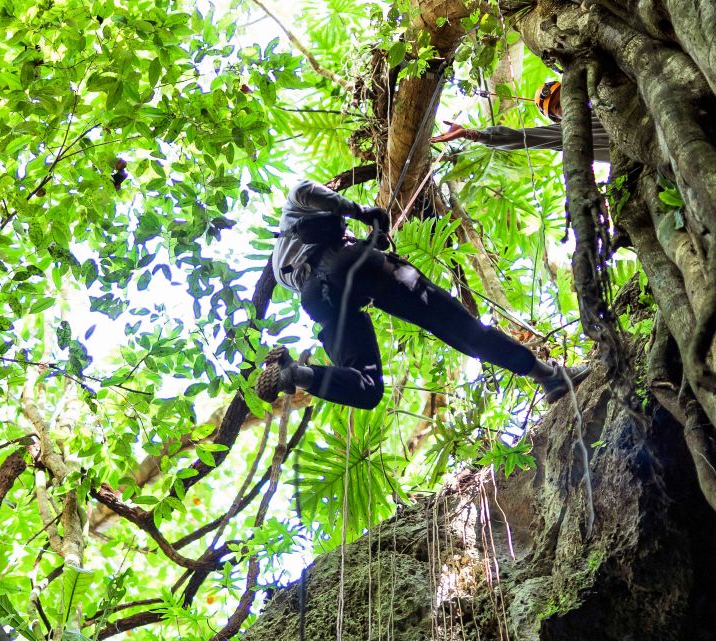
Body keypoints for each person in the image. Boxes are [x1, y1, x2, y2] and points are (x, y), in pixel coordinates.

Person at [255, 180, 590, 410]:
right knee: (458, 326)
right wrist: (360, 212)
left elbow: (330, 278)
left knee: (368, 388)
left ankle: (296, 374)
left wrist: (367, 246)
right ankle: (548, 375)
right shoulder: (293, 211)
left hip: (317, 301)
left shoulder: (282, 261)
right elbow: (304, 190)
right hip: (343, 265)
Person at [429, 81, 611, 162]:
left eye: (564, 95)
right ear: (558, 119)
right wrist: (472, 134)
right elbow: (522, 137)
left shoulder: (606, 91)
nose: (564, 103)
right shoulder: (569, 132)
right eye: (557, 106)